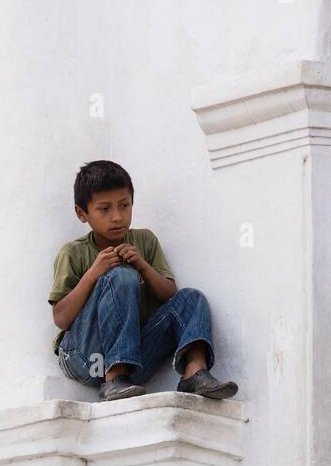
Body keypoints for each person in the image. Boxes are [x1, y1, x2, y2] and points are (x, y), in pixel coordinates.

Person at [49, 160, 238, 403]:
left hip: (134, 363)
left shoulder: (144, 240)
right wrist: (93, 274)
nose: (117, 217)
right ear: (82, 213)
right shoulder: (73, 252)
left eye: (124, 205)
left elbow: (169, 294)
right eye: (105, 209)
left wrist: (143, 266)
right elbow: (61, 318)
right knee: (121, 276)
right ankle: (113, 377)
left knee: (191, 297)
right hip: (85, 358)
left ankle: (194, 372)